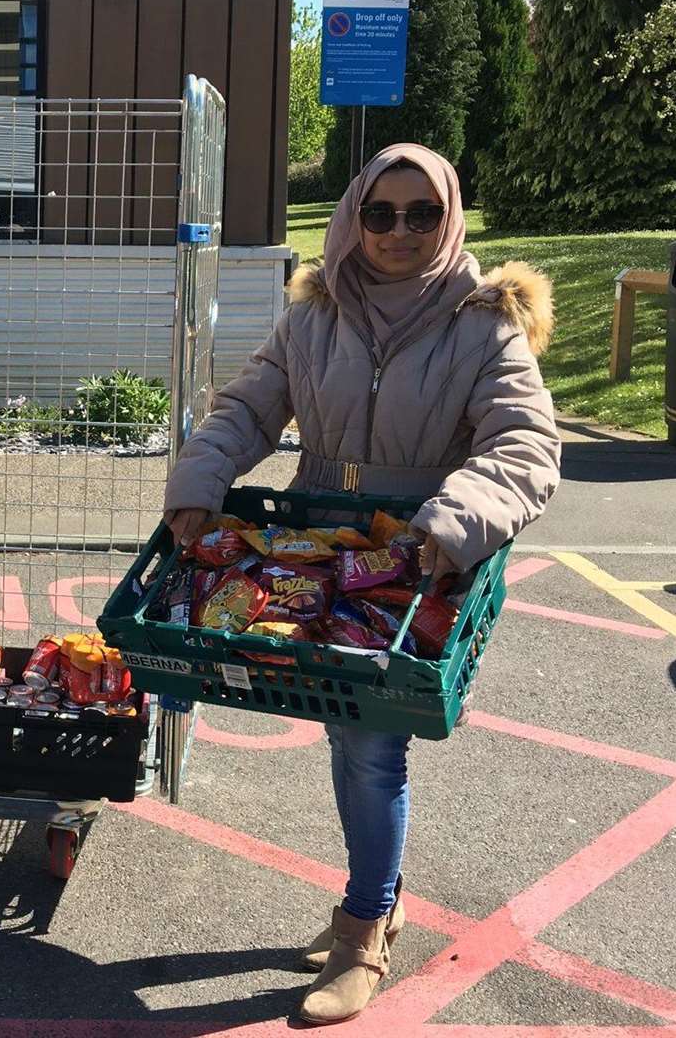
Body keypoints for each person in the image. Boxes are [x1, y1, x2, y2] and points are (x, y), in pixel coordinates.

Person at [162, 143, 560, 1024]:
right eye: (381, 213)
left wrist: (444, 526)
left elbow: (526, 447)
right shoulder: (314, 312)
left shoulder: (483, 322)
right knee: (346, 739)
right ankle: (379, 893)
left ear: (449, 219)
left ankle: (365, 926)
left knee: (374, 750)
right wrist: (197, 486)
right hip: (323, 558)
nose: (400, 232)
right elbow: (249, 408)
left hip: (417, 572)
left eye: (424, 214)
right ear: (354, 215)